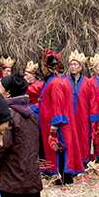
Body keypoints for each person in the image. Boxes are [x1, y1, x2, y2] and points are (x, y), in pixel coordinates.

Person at [38, 52, 79, 183]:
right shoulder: (58, 81)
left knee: (58, 148)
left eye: (43, 66)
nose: (41, 69)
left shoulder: (55, 83)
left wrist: (55, 125)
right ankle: (61, 174)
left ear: (48, 68)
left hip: (57, 123)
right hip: (55, 122)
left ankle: (61, 176)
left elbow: (57, 104)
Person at [66, 51, 92, 168]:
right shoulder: (65, 81)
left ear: (81, 67)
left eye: (75, 65)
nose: (72, 67)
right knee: (69, 136)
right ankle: (71, 161)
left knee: (83, 136)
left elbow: (93, 101)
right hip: (69, 114)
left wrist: (93, 117)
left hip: (83, 115)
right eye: (71, 65)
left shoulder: (88, 82)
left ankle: (83, 160)